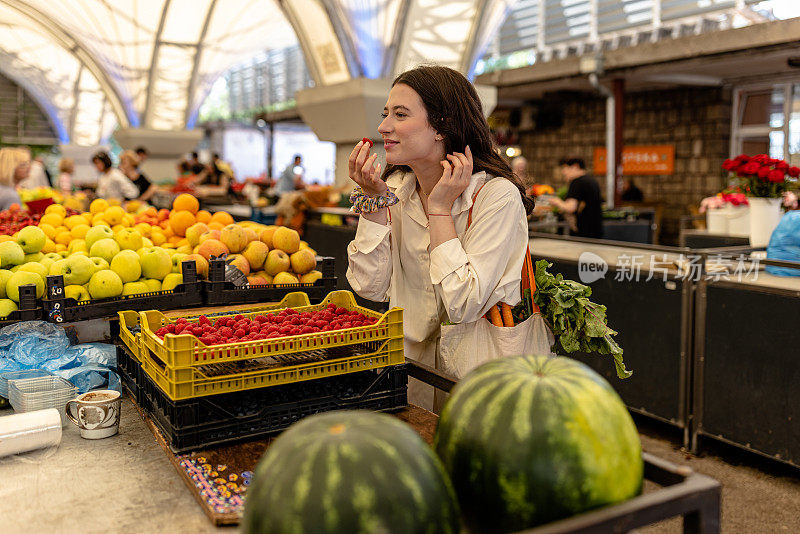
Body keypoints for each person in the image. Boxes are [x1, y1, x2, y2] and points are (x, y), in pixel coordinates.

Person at [346, 65, 534, 411]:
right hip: (409, 373)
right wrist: (372, 199)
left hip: (476, 382)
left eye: (400, 114)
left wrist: (441, 212)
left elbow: (464, 304)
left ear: (442, 126)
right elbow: (368, 287)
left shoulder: (496, 196)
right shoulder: (396, 191)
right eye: (385, 114)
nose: (383, 126)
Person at [548, 158, 603, 239]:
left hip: (583, 233)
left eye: (565, 168)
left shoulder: (577, 182)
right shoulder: (592, 181)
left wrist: (557, 202)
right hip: (596, 231)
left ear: (575, 167)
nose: (563, 172)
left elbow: (570, 207)